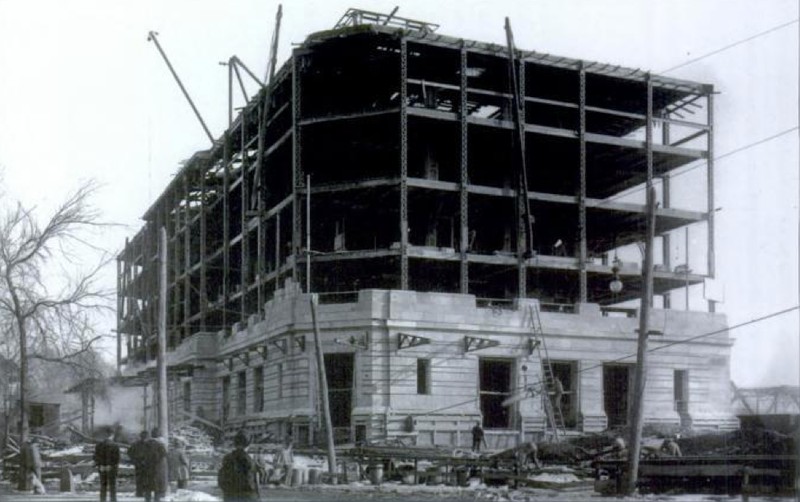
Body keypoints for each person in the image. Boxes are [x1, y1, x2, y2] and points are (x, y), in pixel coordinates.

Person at [218, 431, 260, 501]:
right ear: (248, 444)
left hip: (229, 497)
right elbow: (250, 483)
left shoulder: (227, 458)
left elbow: (221, 480)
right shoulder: (248, 460)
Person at [140, 429, 167, 502]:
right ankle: (156, 500)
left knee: (148, 487)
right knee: (157, 487)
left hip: (147, 468)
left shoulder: (145, 444)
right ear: (158, 436)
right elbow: (164, 455)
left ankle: (147, 500)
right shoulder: (160, 445)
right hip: (157, 468)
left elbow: (141, 455)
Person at [94, 429, 121, 502]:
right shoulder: (115, 445)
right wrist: (112, 466)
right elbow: (117, 459)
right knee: (112, 487)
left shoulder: (99, 445)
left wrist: (100, 465)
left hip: (102, 468)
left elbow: (96, 457)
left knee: (103, 487)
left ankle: (102, 500)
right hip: (111, 468)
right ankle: (113, 500)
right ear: (112, 435)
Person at [127, 431, 149, 497]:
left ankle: (139, 492)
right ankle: (145, 492)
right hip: (146, 463)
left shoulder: (135, 444)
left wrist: (134, 460)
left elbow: (129, 453)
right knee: (146, 478)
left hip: (138, 463)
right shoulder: (149, 444)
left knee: (139, 478)